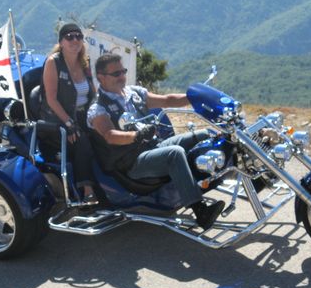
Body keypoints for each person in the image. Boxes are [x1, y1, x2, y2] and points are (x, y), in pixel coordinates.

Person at [87, 53, 225, 230]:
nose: (122, 76)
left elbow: (167, 100)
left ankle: (217, 175)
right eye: (116, 73)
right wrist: (136, 136)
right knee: (174, 153)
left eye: (123, 71)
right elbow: (109, 135)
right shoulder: (98, 108)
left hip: (152, 146)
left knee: (206, 134)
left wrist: (195, 98)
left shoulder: (133, 93)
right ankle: (200, 211)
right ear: (101, 77)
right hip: (131, 162)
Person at [40, 23, 97, 202]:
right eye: (69, 37)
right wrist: (69, 124)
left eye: (78, 36)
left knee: (106, 134)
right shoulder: (53, 62)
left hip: (83, 115)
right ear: (61, 42)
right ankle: (87, 191)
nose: (75, 40)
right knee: (82, 141)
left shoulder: (84, 62)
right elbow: (51, 99)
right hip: (58, 119)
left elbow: (93, 93)